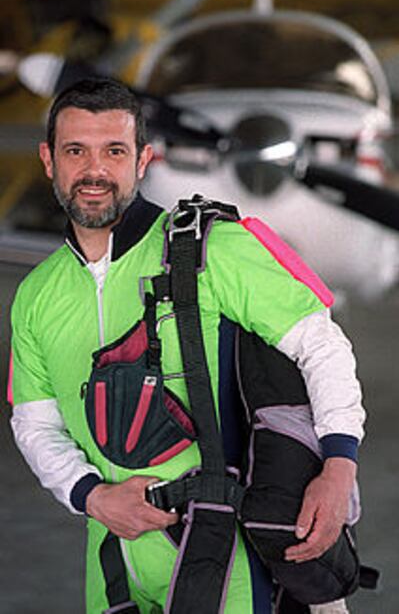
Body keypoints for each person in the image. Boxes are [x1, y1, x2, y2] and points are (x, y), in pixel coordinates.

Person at [9, 77, 365, 614]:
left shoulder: (212, 248)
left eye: (114, 151)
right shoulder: (36, 296)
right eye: (75, 150)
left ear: (144, 159)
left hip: (230, 563)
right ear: (48, 159)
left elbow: (322, 345)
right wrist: (93, 496)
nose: (94, 171)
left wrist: (339, 467)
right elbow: (34, 423)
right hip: (115, 566)